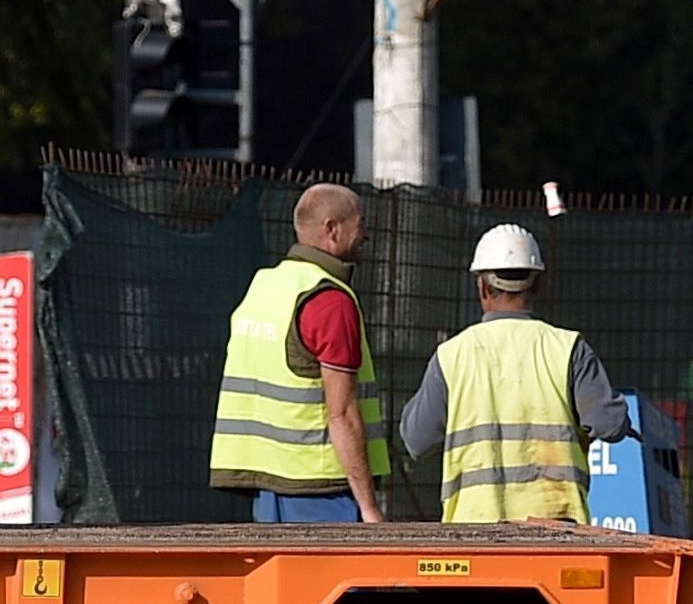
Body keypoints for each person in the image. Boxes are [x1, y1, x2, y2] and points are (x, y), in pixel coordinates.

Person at [400, 224, 632, 522]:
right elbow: (609, 425)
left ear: (482, 286)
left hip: (472, 533)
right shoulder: (568, 348)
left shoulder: (452, 355)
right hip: (557, 530)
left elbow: (416, 440)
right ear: (537, 285)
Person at [206, 181, 385, 523]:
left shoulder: (262, 289)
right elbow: (342, 414)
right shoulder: (330, 301)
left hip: (267, 491)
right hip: (322, 492)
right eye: (360, 225)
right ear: (331, 229)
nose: (366, 235)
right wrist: (369, 507)